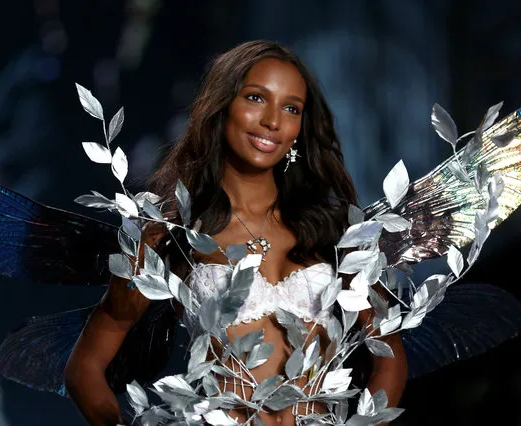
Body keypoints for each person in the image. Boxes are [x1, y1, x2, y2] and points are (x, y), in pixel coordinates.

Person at [64, 40, 408, 426]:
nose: (273, 121)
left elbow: (389, 355)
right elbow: (85, 367)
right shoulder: (172, 235)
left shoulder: (332, 232)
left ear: (300, 128)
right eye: (257, 98)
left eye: (291, 108)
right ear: (222, 105)